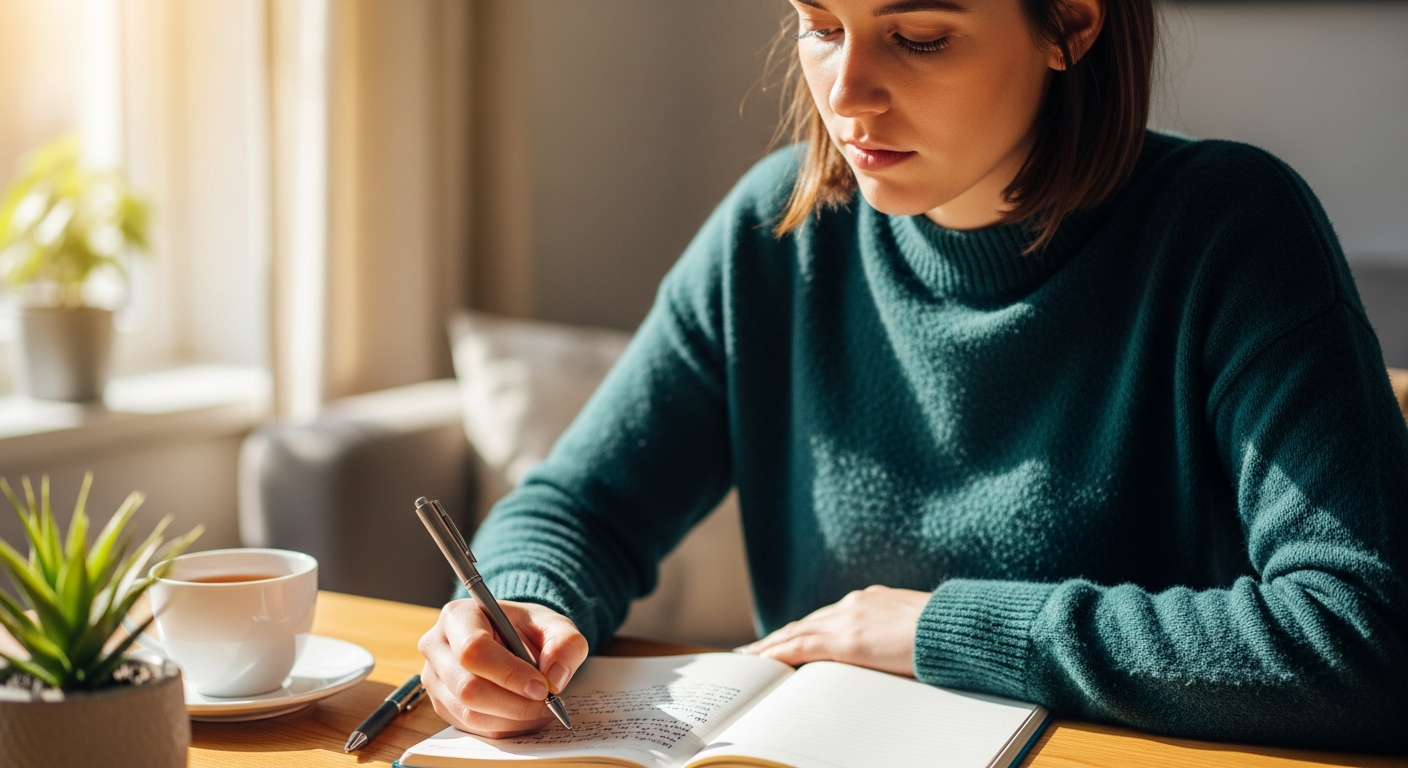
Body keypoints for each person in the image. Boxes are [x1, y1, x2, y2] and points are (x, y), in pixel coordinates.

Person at [418, 0, 1408, 754]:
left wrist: (940, 629)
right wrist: (517, 605)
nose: (845, 92)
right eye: (818, 24)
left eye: (920, 37)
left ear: (1068, 25)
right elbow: (579, 508)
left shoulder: (1231, 231)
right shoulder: (781, 233)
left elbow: (1364, 639)